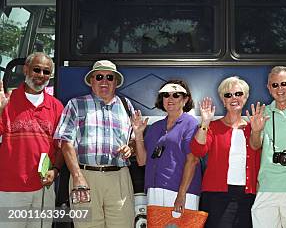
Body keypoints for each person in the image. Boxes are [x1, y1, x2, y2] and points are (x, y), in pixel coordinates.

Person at [54, 60, 135, 227]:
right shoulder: (75, 104)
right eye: (99, 77)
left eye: (109, 77)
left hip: (119, 178)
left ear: (116, 82)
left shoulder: (127, 106)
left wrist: (130, 148)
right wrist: (77, 177)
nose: (104, 81)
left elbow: (134, 140)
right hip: (85, 177)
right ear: (91, 80)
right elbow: (65, 142)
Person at [0, 52, 64, 228]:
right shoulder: (7, 102)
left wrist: (56, 170)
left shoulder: (57, 106)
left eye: (46, 72)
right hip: (10, 190)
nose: (41, 76)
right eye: (37, 70)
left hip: (43, 190)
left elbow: (61, 147)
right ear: (25, 69)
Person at [190, 76, 261, 228]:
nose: (233, 98)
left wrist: (256, 131)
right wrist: (205, 122)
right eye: (228, 95)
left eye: (238, 94)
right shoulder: (213, 127)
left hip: (246, 194)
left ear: (246, 97)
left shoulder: (253, 128)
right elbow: (198, 150)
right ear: (223, 100)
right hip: (217, 195)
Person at [249, 66, 286, 228]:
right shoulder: (262, 112)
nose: (279, 89)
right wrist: (256, 131)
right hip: (268, 186)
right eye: (274, 85)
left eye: (283, 84)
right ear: (268, 88)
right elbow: (255, 146)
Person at [131, 80, 201, 212]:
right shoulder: (155, 127)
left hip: (180, 192)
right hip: (154, 190)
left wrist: (181, 194)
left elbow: (192, 161)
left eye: (176, 95)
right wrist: (139, 134)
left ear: (185, 99)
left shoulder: (191, 123)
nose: (170, 99)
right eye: (166, 95)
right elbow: (141, 161)